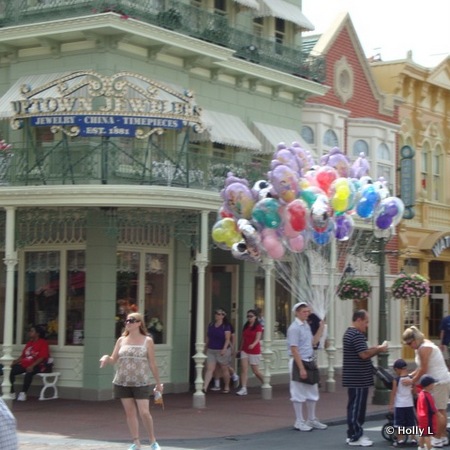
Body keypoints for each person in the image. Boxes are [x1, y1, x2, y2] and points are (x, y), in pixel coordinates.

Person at [100, 312, 163, 450]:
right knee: (130, 413)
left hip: (141, 381)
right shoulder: (121, 340)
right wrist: (105, 358)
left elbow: (152, 363)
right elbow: (113, 359)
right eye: (127, 320)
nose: (128, 323)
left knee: (144, 412)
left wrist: (158, 383)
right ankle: (136, 442)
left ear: (139, 323)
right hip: (123, 381)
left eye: (132, 320)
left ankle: (153, 440)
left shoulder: (147, 340)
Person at [342, 309, 388, 447]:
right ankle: (356, 435)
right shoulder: (356, 334)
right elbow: (364, 354)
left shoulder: (350, 333)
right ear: (359, 320)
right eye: (366, 322)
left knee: (354, 406)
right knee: (357, 407)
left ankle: (353, 434)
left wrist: (375, 348)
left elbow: (363, 351)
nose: (366, 325)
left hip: (355, 377)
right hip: (358, 377)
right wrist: (379, 349)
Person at [402, 326, 450, 448]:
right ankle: (443, 437)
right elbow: (420, 367)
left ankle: (438, 438)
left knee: (439, 410)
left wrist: (412, 381)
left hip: (439, 381)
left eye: (409, 343)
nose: (409, 346)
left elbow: (424, 369)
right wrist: (409, 375)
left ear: (415, 339)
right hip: (436, 381)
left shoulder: (424, 348)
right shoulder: (421, 346)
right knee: (440, 410)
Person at [287, 301, 327, 432]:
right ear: (297, 313)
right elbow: (294, 349)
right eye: (304, 312)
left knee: (312, 391)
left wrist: (321, 328)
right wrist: (301, 368)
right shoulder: (294, 328)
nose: (307, 314)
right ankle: (299, 420)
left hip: (309, 360)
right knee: (298, 392)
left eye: (308, 311)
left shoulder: (306, 326)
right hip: (299, 361)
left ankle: (311, 418)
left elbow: (313, 342)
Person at [10, 324, 50, 401]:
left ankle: (23, 393)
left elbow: (42, 357)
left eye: (32, 331)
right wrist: (14, 363)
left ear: (37, 333)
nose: (30, 333)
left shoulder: (43, 343)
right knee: (10, 371)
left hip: (38, 365)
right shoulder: (29, 343)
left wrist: (32, 365)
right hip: (25, 364)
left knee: (29, 372)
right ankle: (12, 392)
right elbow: (23, 356)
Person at [388, 358, 417, 446]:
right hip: (409, 404)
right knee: (411, 422)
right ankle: (413, 439)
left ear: (397, 369)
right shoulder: (411, 379)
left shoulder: (396, 380)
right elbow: (414, 392)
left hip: (400, 405)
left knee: (399, 423)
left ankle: (400, 440)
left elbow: (393, 393)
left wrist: (391, 404)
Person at [203, 307, 232, 393]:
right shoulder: (211, 324)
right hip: (211, 349)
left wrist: (224, 348)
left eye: (219, 314)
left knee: (224, 369)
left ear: (223, 316)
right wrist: (205, 346)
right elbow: (208, 336)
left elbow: (227, 339)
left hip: (221, 350)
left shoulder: (226, 326)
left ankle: (227, 386)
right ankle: (205, 387)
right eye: (216, 313)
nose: (217, 315)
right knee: (209, 368)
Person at [236, 309, 264, 396]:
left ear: (255, 317)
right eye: (248, 316)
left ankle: (265, 382)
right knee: (244, 369)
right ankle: (244, 388)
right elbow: (243, 338)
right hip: (245, 350)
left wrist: (253, 344)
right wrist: (240, 349)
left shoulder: (258, 327)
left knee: (255, 371)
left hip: (254, 350)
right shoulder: (246, 326)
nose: (249, 318)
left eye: (251, 316)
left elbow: (258, 338)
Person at [211, 322, 239, 391]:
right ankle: (217, 384)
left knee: (225, 365)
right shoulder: (214, 326)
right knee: (217, 366)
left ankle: (234, 375)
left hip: (226, 349)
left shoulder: (227, 326)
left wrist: (232, 348)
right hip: (217, 348)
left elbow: (232, 337)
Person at [416, 375, 442, 450]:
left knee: (423, 433)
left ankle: (421, 447)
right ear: (429, 385)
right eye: (432, 384)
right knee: (428, 435)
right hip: (427, 419)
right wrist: (439, 414)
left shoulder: (421, 394)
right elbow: (432, 408)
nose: (433, 385)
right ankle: (429, 448)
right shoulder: (427, 396)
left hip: (421, 418)